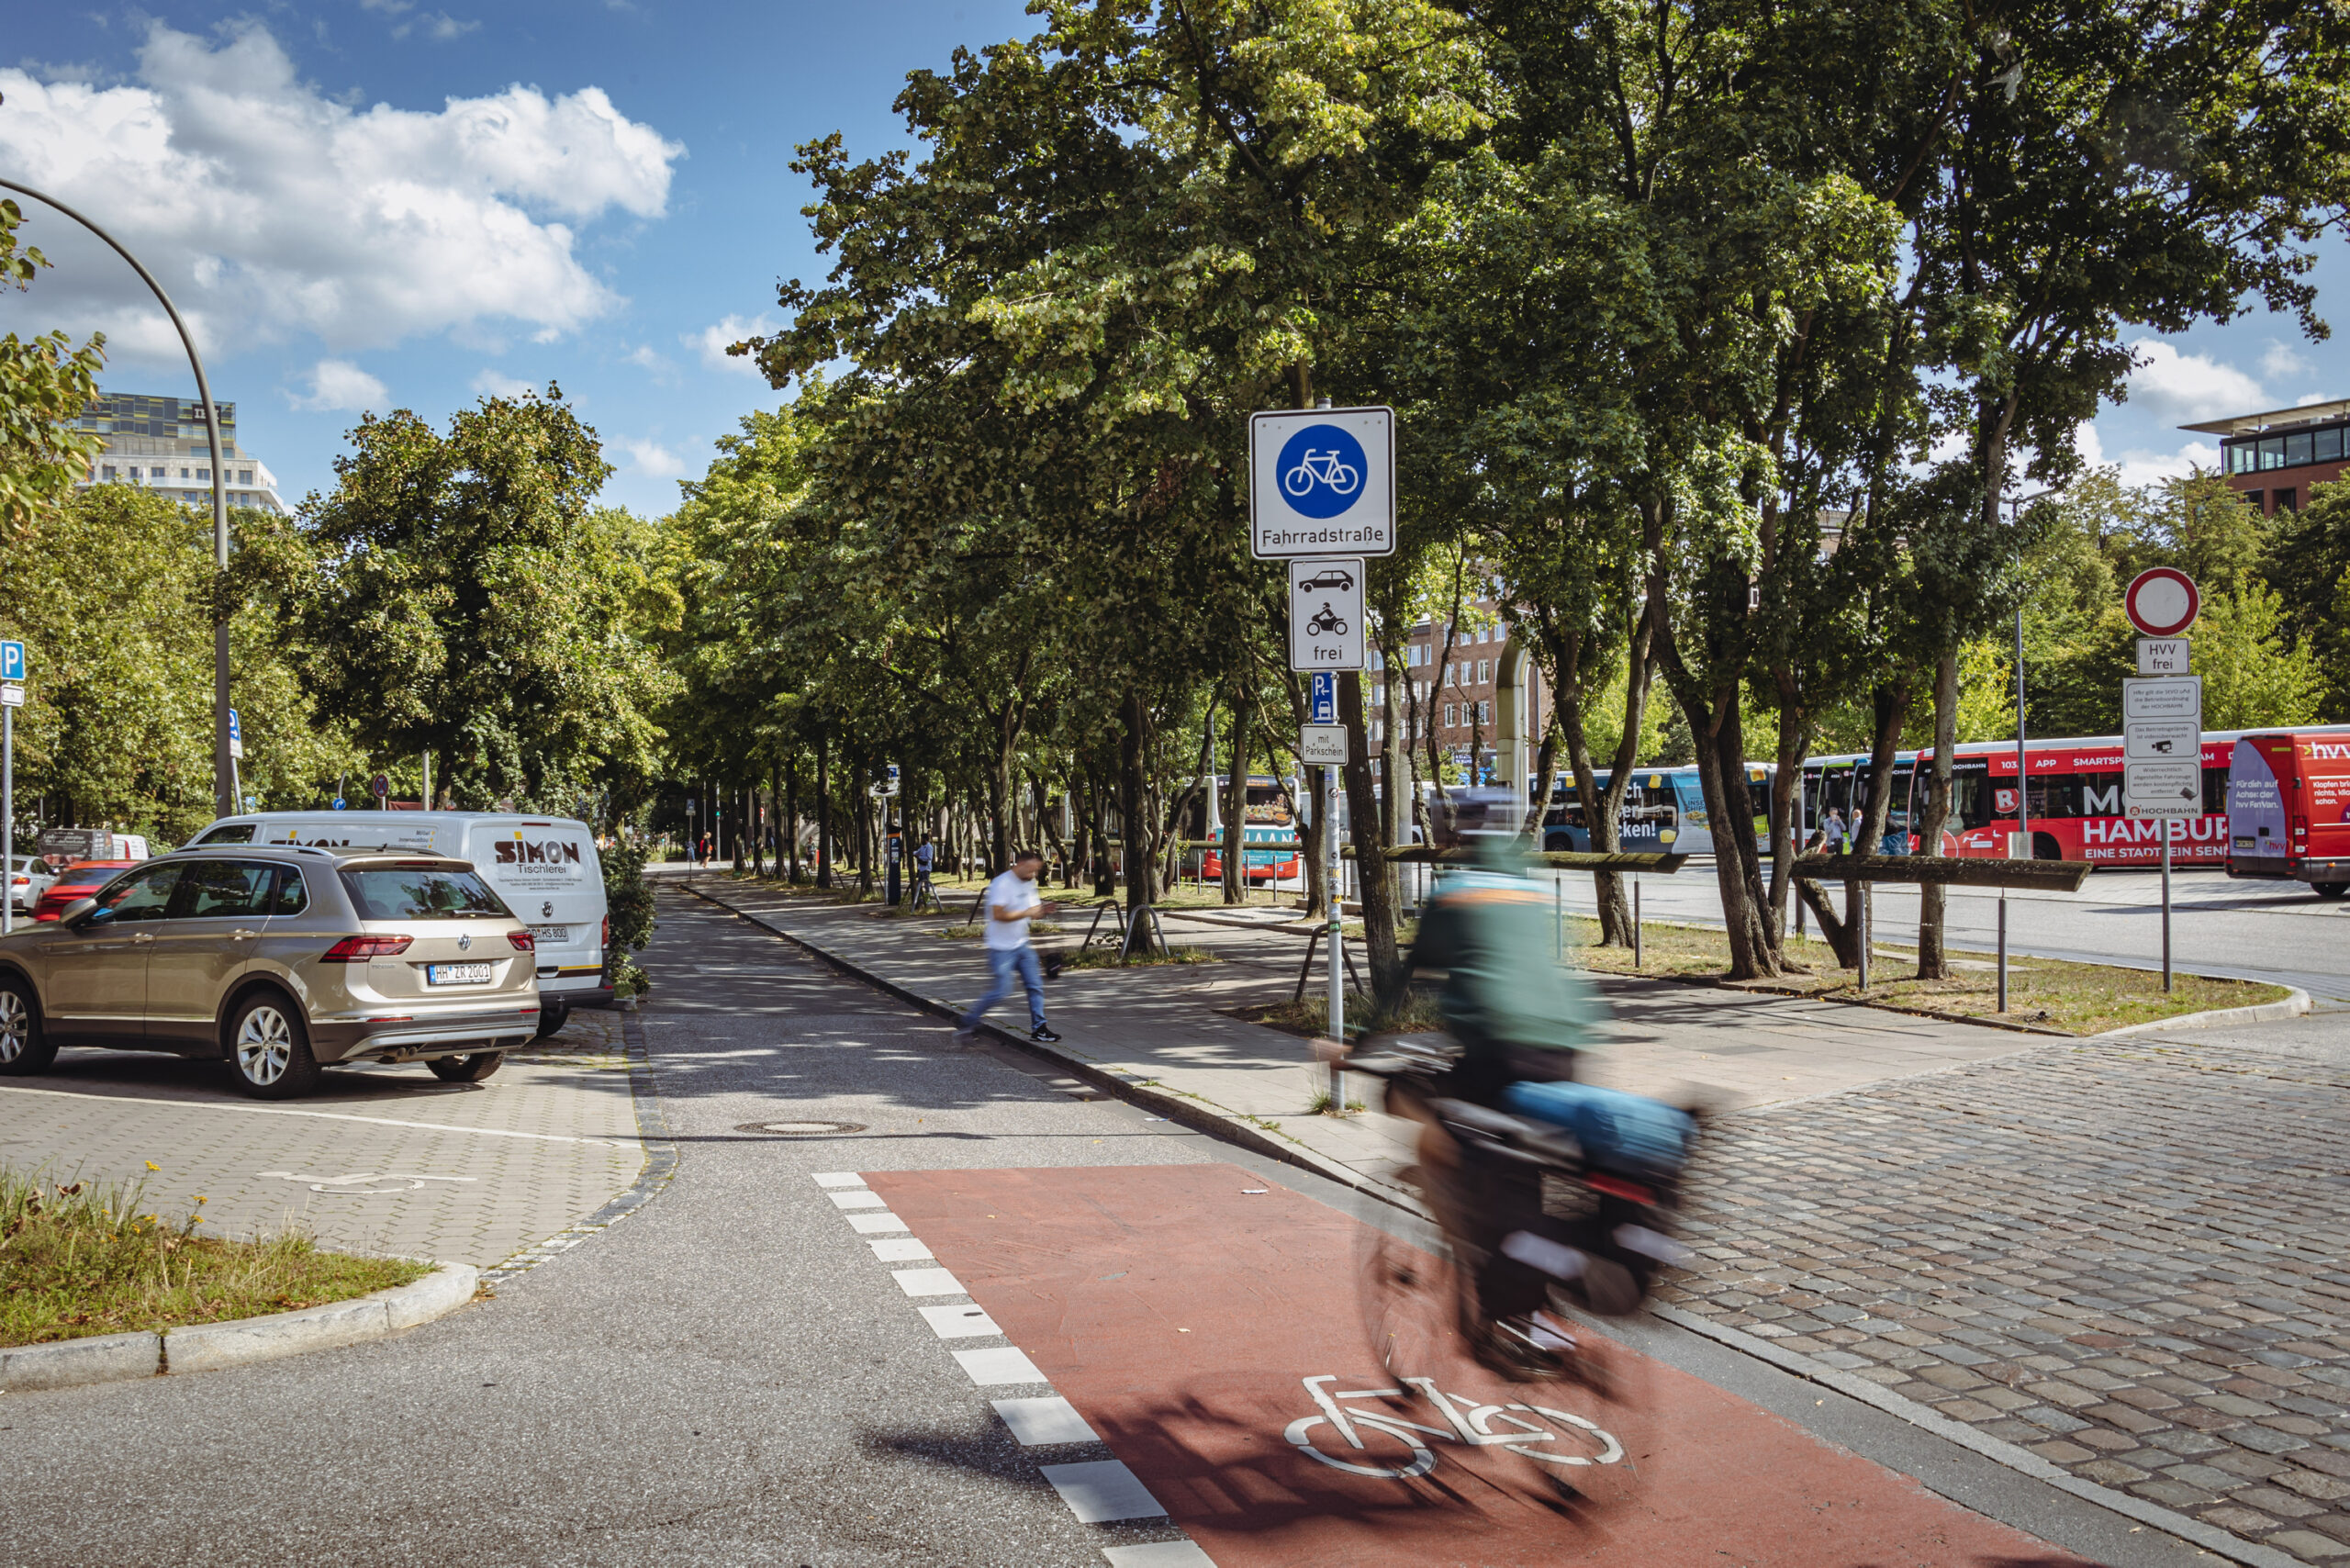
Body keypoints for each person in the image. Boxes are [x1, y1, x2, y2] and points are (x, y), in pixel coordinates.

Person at [954, 849, 1060, 1046]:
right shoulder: (1001, 883)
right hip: (1001, 947)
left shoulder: (1029, 884)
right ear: (1019, 865)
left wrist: (1042, 911)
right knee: (1002, 991)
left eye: (1036, 870)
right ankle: (967, 1021)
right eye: (1031, 869)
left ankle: (1039, 1028)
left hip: (1022, 944)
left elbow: (1032, 912)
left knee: (1035, 986)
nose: (1033, 874)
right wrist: (1026, 912)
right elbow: (998, 915)